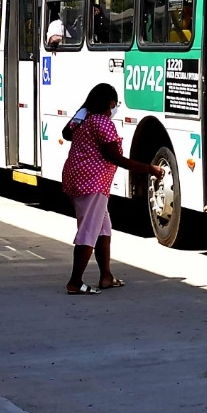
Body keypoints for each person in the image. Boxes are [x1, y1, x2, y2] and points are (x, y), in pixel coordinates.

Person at [61, 83, 164, 294]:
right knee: (89, 230)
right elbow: (115, 158)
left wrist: (84, 108)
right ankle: (75, 281)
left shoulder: (84, 120)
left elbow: (66, 132)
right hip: (91, 183)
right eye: (115, 103)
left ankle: (106, 276)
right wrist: (149, 169)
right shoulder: (103, 123)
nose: (115, 107)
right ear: (109, 103)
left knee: (103, 228)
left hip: (77, 179)